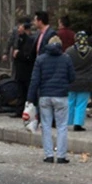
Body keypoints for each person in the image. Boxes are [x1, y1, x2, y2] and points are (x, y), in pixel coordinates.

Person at [27, 36, 75, 164]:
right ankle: (61, 156)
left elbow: (35, 80)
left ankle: (48, 155)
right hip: (61, 95)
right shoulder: (66, 58)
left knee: (46, 126)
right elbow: (72, 77)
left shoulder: (41, 59)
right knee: (62, 126)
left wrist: (30, 99)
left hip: (45, 95)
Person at [65, 31, 92, 132]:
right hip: (86, 81)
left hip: (72, 81)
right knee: (81, 103)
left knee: (70, 102)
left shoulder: (69, 51)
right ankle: (78, 124)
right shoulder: (91, 51)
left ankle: (67, 121)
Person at [12, 22, 35, 117]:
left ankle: (25, 110)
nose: (18, 29)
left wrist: (18, 54)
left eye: (20, 27)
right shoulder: (19, 39)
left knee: (24, 91)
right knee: (20, 91)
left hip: (26, 71)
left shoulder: (29, 40)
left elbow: (28, 56)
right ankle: (19, 110)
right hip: (20, 70)